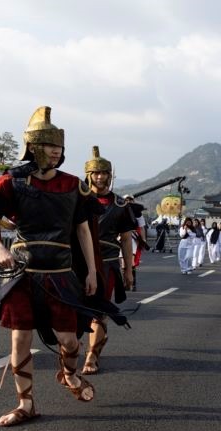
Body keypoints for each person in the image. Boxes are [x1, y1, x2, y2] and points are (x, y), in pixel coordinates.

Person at [0, 106, 98, 426]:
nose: (56, 152)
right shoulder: (9, 183)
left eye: (59, 147)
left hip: (60, 273)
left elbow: (83, 230)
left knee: (69, 341)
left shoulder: (74, 185)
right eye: (49, 146)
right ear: (32, 147)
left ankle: (69, 373)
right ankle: (25, 403)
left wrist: (93, 271)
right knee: (19, 338)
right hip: (22, 273)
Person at [82, 146, 136, 375]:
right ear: (89, 175)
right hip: (79, 262)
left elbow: (125, 239)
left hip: (108, 263)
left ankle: (92, 356)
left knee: (99, 311)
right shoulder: (78, 199)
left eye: (104, 173)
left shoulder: (121, 205)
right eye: (96, 173)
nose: (100, 177)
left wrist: (128, 270)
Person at [123, 194, 148, 292]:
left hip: (132, 237)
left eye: (130, 199)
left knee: (131, 260)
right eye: (126, 199)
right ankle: (125, 283)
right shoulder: (119, 209)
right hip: (120, 237)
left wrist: (143, 240)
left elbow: (141, 228)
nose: (128, 201)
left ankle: (133, 283)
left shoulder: (138, 212)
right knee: (122, 263)